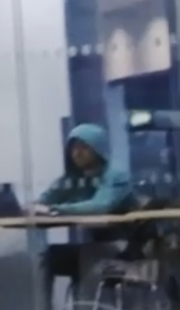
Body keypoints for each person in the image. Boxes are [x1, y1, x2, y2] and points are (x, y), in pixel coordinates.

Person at [34, 125, 134, 306]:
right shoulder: (73, 178)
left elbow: (101, 205)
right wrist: (36, 208)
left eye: (83, 147)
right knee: (48, 257)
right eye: (73, 148)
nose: (77, 153)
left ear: (98, 149)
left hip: (124, 247)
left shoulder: (116, 175)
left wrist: (59, 209)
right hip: (93, 246)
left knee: (87, 256)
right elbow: (46, 199)